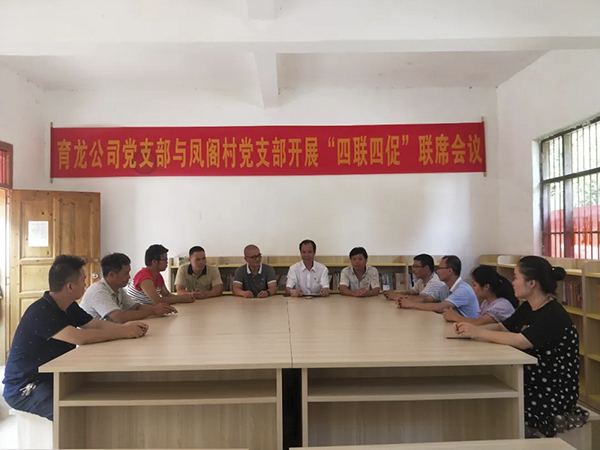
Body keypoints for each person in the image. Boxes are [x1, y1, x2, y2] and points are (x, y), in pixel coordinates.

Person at [2, 255, 148, 421]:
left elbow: (94, 324)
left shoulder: (68, 306)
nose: (86, 285)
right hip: (25, 385)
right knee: (70, 414)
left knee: (98, 392)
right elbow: (79, 338)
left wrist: (126, 328)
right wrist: (124, 332)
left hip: (53, 375)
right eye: (83, 280)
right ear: (70, 286)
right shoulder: (41, 312)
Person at [454, 256, 582, 437]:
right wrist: (470, 330)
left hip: (552, 388)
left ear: (531, 283)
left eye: (515, 277)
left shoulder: (552, 313)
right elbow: (503, 327)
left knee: (494, 399)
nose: (511, 282)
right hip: (533, 377)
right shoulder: (529, 307)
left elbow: (521, 341)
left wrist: (478, 333)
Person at [80, 252, 177, 322]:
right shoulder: (98, 291)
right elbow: (119, 318)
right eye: (126, 273)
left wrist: (159, 309)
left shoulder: (118, 289)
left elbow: (136, 307)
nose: (129, 277)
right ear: (112, 275)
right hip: (92, 341)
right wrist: (154, 310)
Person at [398, 255, 479, 318]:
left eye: (440, 268)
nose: (437, 271)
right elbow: (426, 299)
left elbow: (441, 307)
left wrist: (412, 304)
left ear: (450, 271)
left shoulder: (463, 289)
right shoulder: (445, 288)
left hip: (467, 330)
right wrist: (404, 299)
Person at [443, 265, 518, 325]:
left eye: (474, 285)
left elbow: (479, 324)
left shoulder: (502, 305)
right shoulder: (486, 303)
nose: (473, 288)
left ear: (486, 287)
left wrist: (455, 317)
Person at [127, 244, 197, 305]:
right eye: (164, 260)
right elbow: (157, 301)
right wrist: (181, 299)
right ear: (154, 262)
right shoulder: (144, 277)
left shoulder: (157, 275)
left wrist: (185, 297)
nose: (167, 262)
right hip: (137, 312)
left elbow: (167, 295)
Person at [384, 254, 449, 303]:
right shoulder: (421, 280)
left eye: (416, 267)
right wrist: (395, 293)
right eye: (413, 267)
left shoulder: (435, 282)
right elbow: (410, 292)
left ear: (426, 268)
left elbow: (422, 299)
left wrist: (396, 296)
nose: (413, 270)